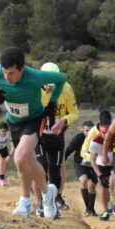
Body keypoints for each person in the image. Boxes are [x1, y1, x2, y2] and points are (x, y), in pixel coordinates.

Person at [0, 46, 66, 219]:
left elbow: (61, 78)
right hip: (14, 122)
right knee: (30, 161)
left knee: (19, 157)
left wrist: (52, 103)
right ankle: (48, 195)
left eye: (11, 73)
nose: (6, 77)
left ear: (22, 68)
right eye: (4, 72)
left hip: (34, 120)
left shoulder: (35, 76)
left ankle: (25, 202)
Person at [35, 62, 78, 213]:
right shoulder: (34, 89)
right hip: (38, 134)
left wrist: (64, 121)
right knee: (40, 166)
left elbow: (74, 113)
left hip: (57, 134)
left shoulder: (66, 89)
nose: (48, 88)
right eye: (46, 84)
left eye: (53, 85)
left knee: (56, 168)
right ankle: (40, 202)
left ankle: (55, 199)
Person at [64, 121, 96, 216]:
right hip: (80, 164)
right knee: (84, 181)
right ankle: (87, 209)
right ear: (83, 130)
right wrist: (62, 161)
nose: (88, 133)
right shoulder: (79, 138)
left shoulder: (97, 139)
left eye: (90, 131)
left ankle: (92, 209)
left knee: (92, 186)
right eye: (86, 131)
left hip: (93, 165)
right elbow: (69, 149)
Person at [86, 113, 114, 220]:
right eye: (103, 133)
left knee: (114, 182)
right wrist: (100, 175)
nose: (105, 136)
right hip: (101, 165)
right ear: (99, 131)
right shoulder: (95, 141)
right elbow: (92, 160)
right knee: (103, 186)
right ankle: (106, 210)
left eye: (107, 133)